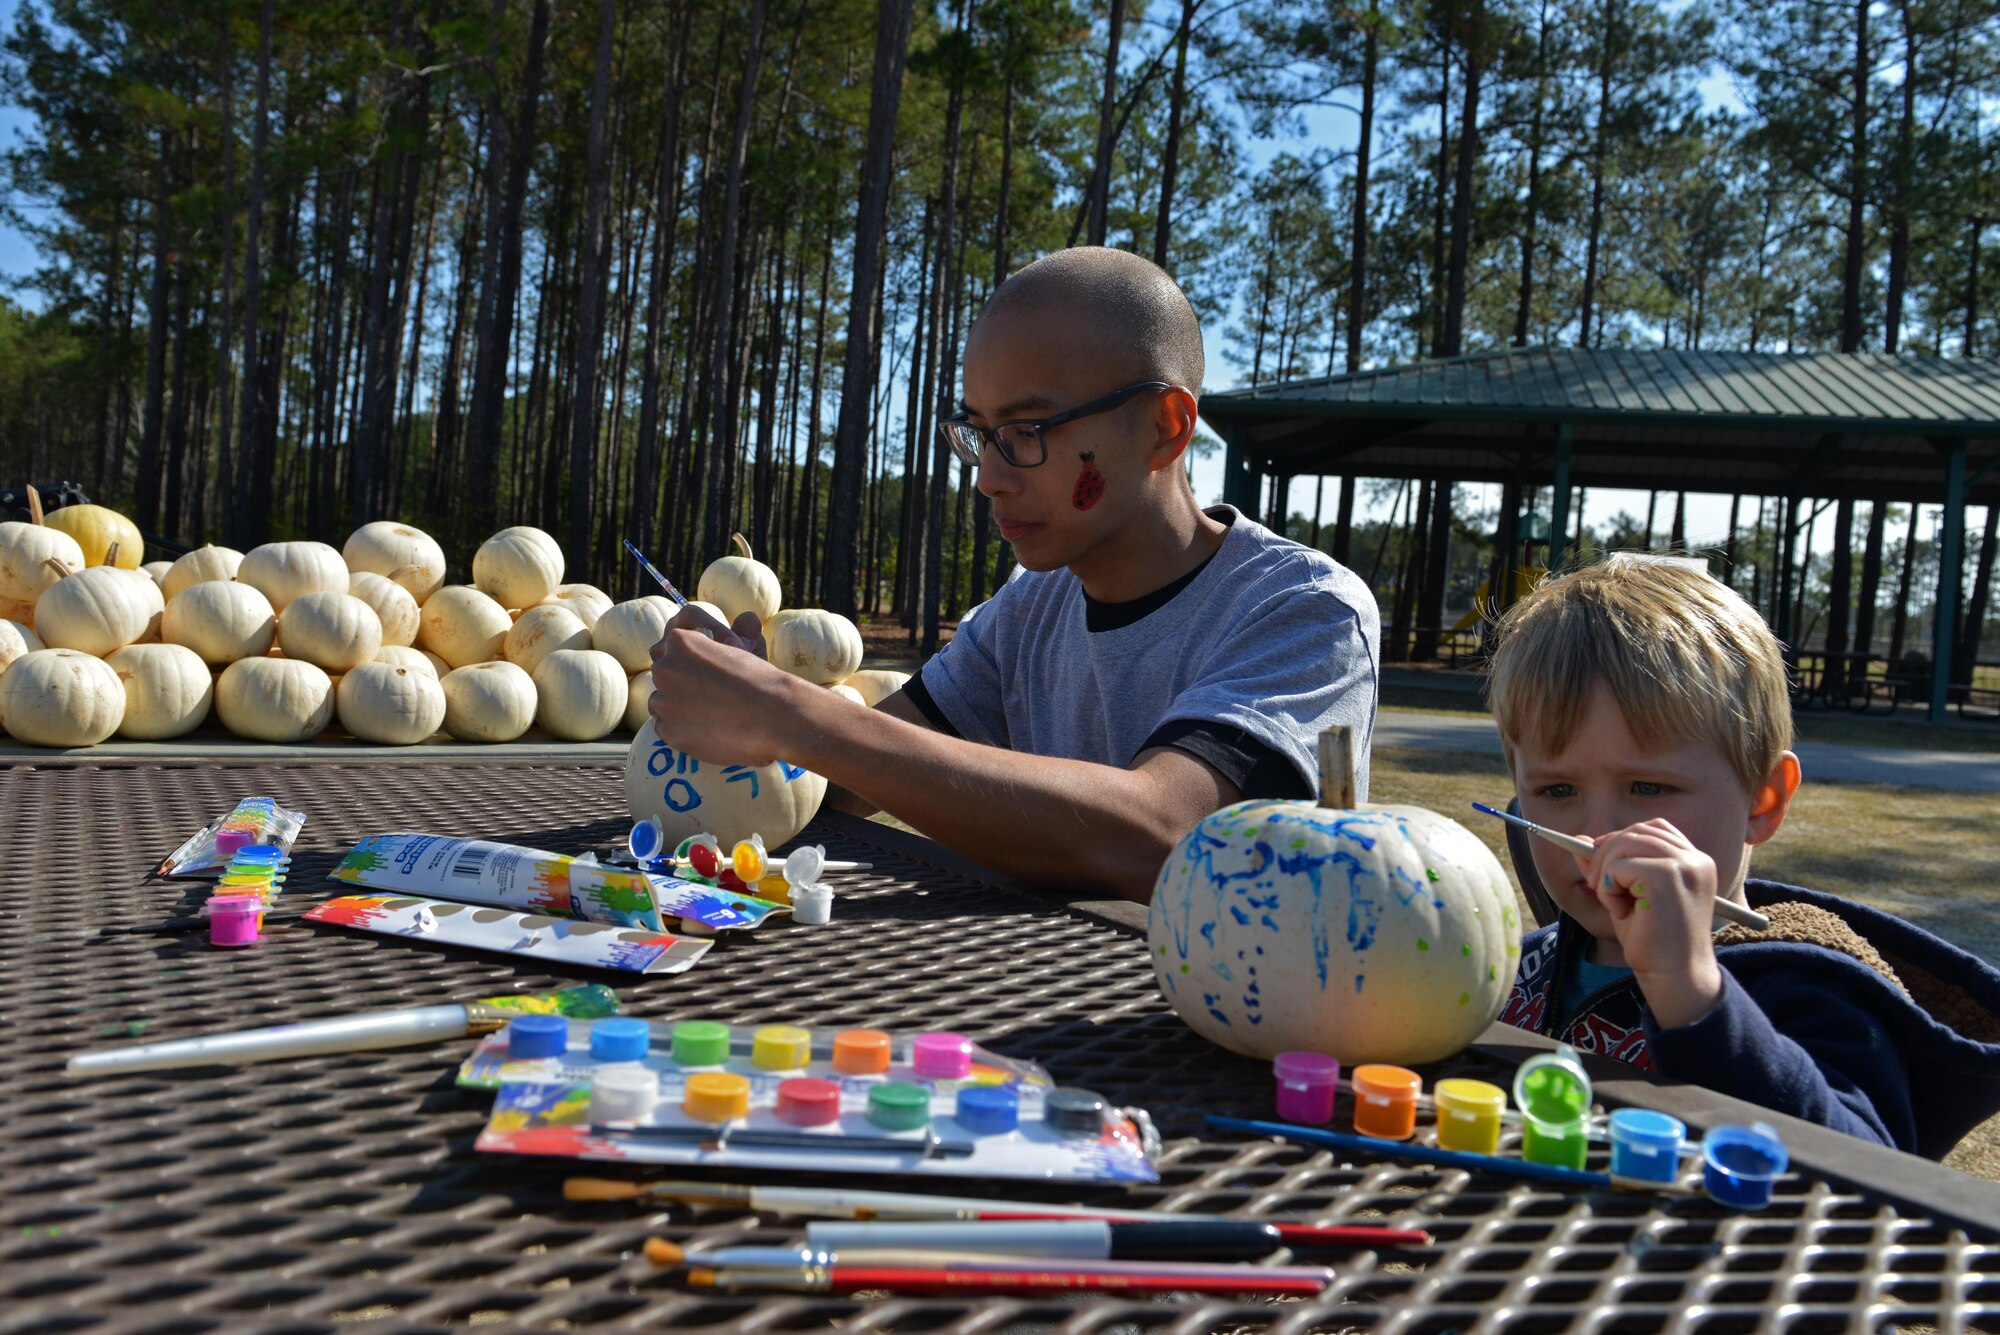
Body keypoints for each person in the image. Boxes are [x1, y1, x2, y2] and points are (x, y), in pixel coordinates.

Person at [649, 246, 1380, 902]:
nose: (988, 478)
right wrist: (756, 720)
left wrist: (799, 719)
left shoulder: (1305, 610)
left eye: (1027, 432)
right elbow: (845, 780)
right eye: (981, 433)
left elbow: (1166, 836)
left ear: (1166, 427)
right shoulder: (1030, 608)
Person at [1489, 552, 2000, 1158]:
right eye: (1557, 791)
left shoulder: (1809, 989)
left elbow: (1864, 1175)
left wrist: (1693, 993)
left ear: (1763, 799)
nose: (1599, 833)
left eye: (1648, 788)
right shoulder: (1520, 969)